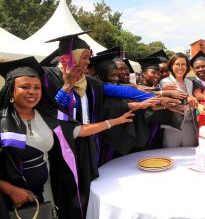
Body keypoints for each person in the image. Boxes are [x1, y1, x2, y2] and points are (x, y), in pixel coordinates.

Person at [42, 31, 178, 215]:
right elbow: (53, 110)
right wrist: (66, 86)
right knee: (67, 191)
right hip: (63, 145)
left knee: (88, 187)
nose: (88, 62)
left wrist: (157, 99)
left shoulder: (88, 82)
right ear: (70, 58)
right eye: (84, 58)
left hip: (89, 142)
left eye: (89, 58)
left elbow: (124, 91)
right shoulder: (48, 77)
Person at [0, 57, 133, 218]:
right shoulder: (2, 122)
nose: (32, 92)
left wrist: (115, 121)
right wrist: (9, 189)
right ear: (11, 91)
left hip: (45, 191)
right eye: (25, 87)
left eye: (37, 87)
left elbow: (80, 130)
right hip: (12, 198)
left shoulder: (47, 116)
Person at [159, 52, 201, 147]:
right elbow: (177, 94)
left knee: (189, 153)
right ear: (171, 66)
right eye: (177, 64)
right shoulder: (165, 81)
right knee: (172, 154)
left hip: (189, 124)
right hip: (173, 125)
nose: (180, 67)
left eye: (183, 64)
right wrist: (189, 97)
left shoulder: (189, 82)